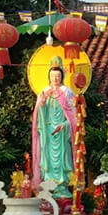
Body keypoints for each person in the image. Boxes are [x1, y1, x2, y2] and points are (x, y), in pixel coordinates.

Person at [31, 56, 78, 203]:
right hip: (48, 132)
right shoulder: (44, 92)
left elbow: (73, 115)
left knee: (63, 158)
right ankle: (49, 187)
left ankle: (62, 187)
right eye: (53, 76)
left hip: (62, 131)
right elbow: (39, 113)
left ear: (62, 76)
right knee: (48, 159)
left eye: (58, 76)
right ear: (49, 77)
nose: (55, 79)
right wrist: (43, 104)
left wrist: (64, 125)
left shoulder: (67, 92)